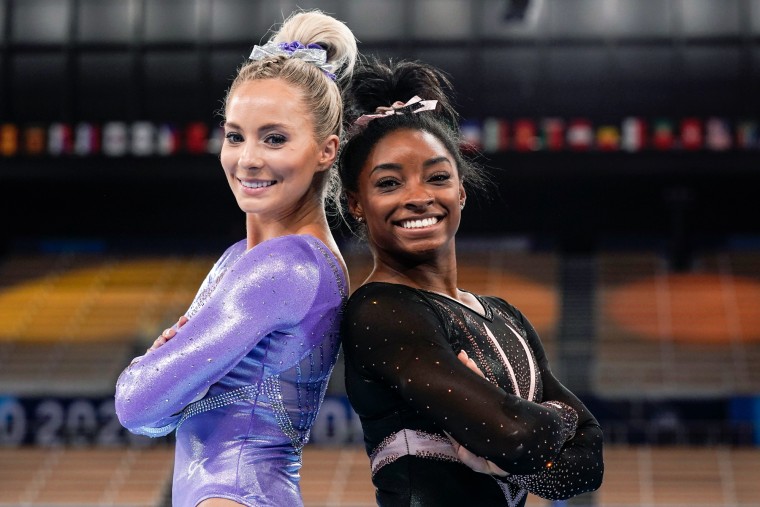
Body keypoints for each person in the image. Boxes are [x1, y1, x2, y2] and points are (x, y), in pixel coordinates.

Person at [114, 10, 358, 507]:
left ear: (326, 150)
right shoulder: (251, 259)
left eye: (275, 138)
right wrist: (165, 382)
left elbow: (136, 406)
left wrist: (157, 366)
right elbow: (155, 418)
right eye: (234, 135)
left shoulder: (285, 267)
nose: (247, 158)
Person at [337, 57, 604, 507]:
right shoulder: (381, 312)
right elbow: (516, 437)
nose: (419, 197)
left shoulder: (505, 316)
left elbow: (587, 466)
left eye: (438, 177)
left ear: (460, 189)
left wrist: (511, 440)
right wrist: (553, 420)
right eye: (389, 184)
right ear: (356, 203)